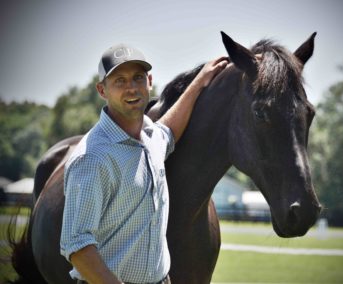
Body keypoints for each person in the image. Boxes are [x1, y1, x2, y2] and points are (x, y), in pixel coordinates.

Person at [60, 43, 228, 284]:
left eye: (138, 78)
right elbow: (77, 246)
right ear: (101, 90)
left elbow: (169, 129)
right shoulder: (91, 157)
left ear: (149, 81)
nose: (131, 88)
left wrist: (200, 81)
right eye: (119, 80)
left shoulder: (151, 137)